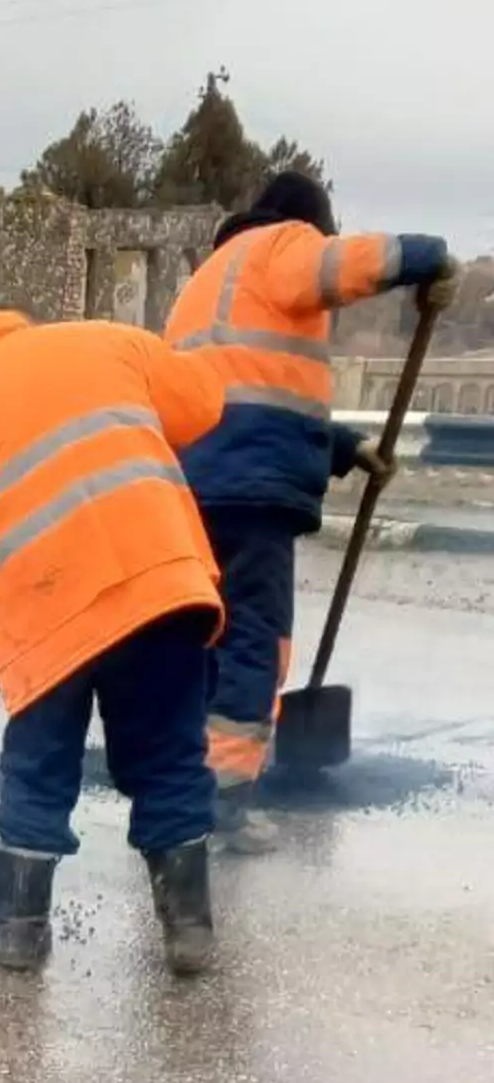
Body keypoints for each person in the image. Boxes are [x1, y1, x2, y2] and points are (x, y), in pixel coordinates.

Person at [0, 301, 229, 976]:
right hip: (159, 585)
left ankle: (21, 933)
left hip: (46, 616)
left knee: (39, 765)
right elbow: (202, 403)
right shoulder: (110, 343)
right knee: (169, 751)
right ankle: (189, 931)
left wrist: (11, 560)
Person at [162, 172, 461, 853]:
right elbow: (335, 266)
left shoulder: (210, 279)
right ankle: (228, 802)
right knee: (253, 637)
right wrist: (429, 256)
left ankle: (179, 781)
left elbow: (244, 386)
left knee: (202, 633)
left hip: (192, 481)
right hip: (252, 489)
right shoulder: (284, 243)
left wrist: (345, 448)